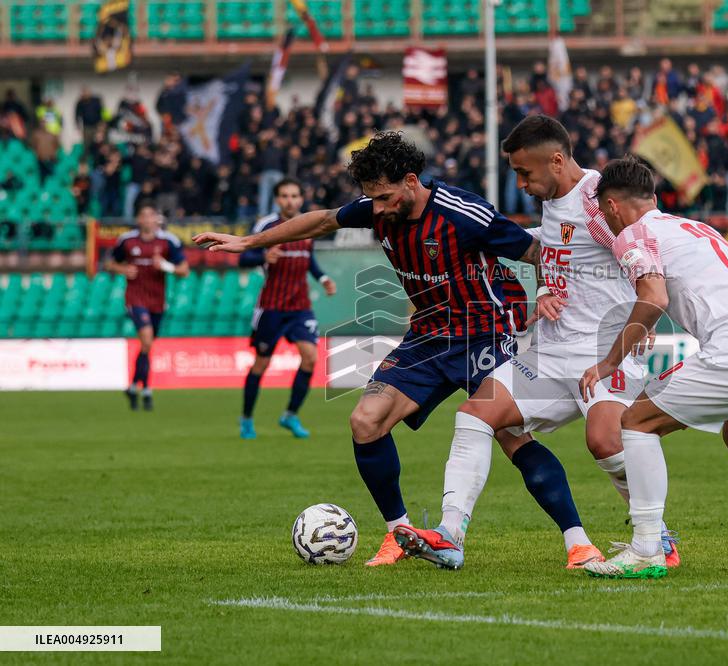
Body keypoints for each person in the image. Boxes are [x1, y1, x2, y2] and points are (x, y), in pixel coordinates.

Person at [193, 131, 590, 568]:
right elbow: (322, 220)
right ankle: (399, 534)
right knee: (366, 420)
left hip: (486, 332)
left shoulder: (464, 213)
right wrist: (250, 242)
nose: (376, 208)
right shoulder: (378, 210)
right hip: (428, 335)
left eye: (383, 197)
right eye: (370, 199)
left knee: (511, 437)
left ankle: (578, 543)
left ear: (411, 180)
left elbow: (535, 250)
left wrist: (551, 290)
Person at [392, 116, 678, 571]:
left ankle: (657, 536)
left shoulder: (598, 199)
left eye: (526, 173)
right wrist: (544, 290)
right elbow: (554, 253)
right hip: (550, 350)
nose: (521, 184)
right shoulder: (555, 199)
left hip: (602, 348)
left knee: (604, 440)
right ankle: (450, 535)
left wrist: (649, 310)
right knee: (475, 415)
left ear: (558, 160)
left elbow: (648, 245)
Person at [575, 156, 728, 579]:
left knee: (635, 422)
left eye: (605, 213)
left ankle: (647, 547)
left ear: (612, 206)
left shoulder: (634, 232)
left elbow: (653, 297)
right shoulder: (694, 227)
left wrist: (609, 360)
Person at [237, 177, 337, 440]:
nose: (290, 200)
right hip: (271, 306)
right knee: (261, 365)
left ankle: (290, 415)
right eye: (284, 196)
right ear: (277, 199)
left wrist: (323, 278)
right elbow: (243, 256)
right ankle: (246, 419)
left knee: (311, 357)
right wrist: (262, 256)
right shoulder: (266, 226)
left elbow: (309, 259)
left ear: (301, 199)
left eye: (294, 196)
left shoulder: (309, 225)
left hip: (300, 306)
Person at [107, 200, 189, 411]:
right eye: (143, 216)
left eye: (151, 215)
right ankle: (148, 389)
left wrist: (166, 266)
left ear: (157, 219)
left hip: (157, 301)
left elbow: (184, 270)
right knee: (146, 339)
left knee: (147, 345)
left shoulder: (168, 241)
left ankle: (135, 386)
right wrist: (122, 269)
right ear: (138, 219)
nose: (147, 220)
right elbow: (109, 263)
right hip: (135, 298)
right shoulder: (127, 240)